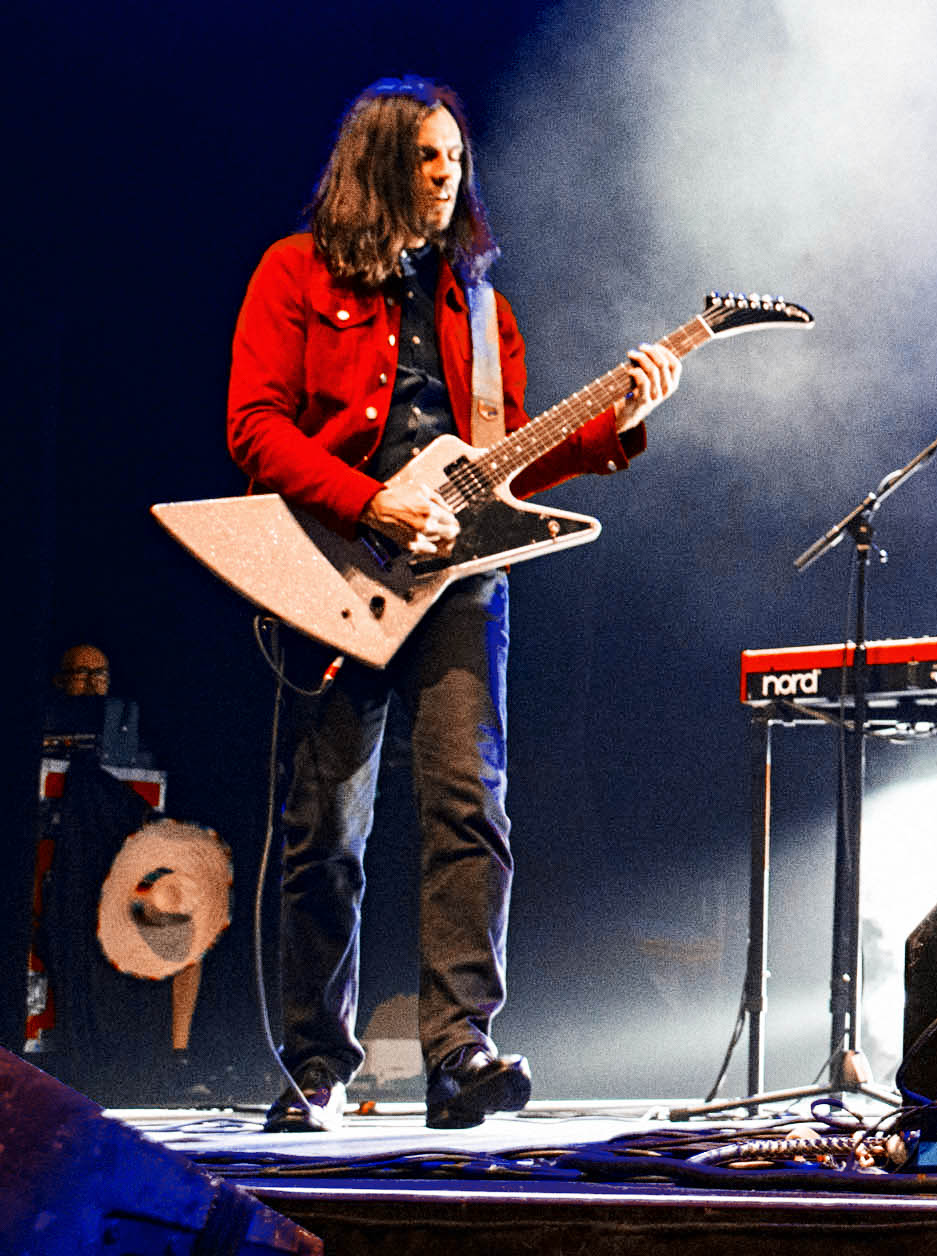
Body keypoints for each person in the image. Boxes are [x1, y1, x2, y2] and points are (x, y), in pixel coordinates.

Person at [228, 77, 682, 1132]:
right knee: (323, 828)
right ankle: (315, 1062)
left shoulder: (482, 310)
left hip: (461, 584)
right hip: (336, 574)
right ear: (379, 163)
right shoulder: (293, 272)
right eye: (427, 156)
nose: (447, 175)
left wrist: (620, 423)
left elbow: (507, 465)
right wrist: (369, 500)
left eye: (455, 157)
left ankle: (459, 1051)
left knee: (470, 808)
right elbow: (254, 425)